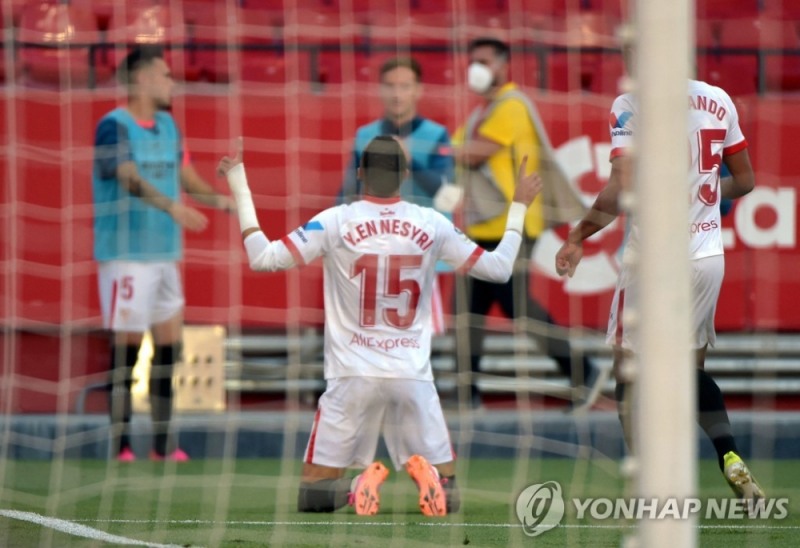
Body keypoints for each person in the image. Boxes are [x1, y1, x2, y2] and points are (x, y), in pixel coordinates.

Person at [218, 135, 542, 516]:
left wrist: (239, 182)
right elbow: (499, 268)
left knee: (313, 497)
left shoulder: (335, 221)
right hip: (411, 377)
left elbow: (263, 258)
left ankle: (357, 486)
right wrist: (519, 205)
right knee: (450, 498)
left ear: (359, 174)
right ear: (405, 175)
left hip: (351, 376)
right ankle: (433, 478)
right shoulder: (431, 223)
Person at [554, 44, 764, 502]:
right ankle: (728, 454)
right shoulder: (719, 99)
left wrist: (577, 236)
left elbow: (620, 187)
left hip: (653, 260)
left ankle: (649, 483)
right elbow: (745, 182)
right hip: (708, 256)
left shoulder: (630, 105)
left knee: (627, 369)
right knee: (688, 371)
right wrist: (705, 194)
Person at [92, 46, 233, 462]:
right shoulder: (112, 126)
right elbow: (127, 177)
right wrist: (171, 207)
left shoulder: (169, 126)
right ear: (142, 80)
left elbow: (186, 178)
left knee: (168, 350)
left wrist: (228, 201)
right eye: (166, 75)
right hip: (125, 256)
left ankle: (162, 445)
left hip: (165, 254)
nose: (173, 82)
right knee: (128, 351)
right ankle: (120, 445)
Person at [452, 37, 600, 408]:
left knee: (515, 306)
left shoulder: (511, 106)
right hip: (484, 225)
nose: (476, 68)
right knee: (468, 309)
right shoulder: (482, 112)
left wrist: (424, 149)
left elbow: (470, 155)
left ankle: (584, 372)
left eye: (483, 61)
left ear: (503, 67)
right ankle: (466, 392)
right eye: (473, 61)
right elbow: (455, 149)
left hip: (513, 224)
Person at [337, 56, 456, 335]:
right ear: (380, 90)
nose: (397, 93)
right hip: (375, 249)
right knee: (374, 331)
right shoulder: (365, 135)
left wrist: (408, 159)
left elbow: (447, 195)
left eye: (405, 86)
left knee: (421, 332)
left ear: (418, 90)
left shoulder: (436, 135)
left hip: (422, 253)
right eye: (390, 86)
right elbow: (347, 193)